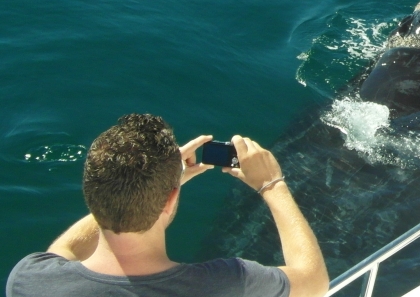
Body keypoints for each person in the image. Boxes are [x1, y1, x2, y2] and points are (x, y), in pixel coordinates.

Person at [5, 114, 329, 297]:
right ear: (171, 200)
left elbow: (64, 251)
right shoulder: (225, 283)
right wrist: (273, 185)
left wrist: (151, 187)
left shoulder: (29, 280)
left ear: (91, 194)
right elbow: (314, 282)